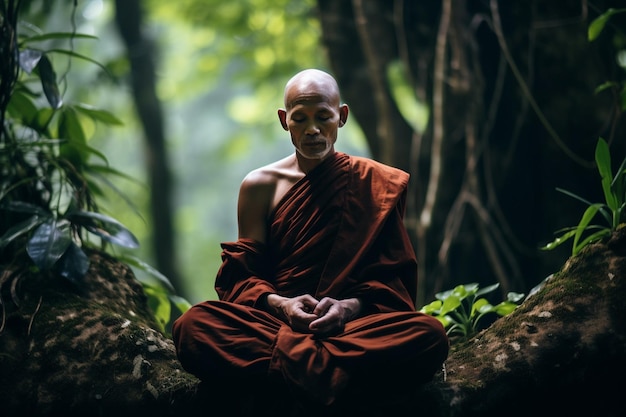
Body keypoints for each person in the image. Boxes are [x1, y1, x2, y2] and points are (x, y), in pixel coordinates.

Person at [172, 68, 449, 416]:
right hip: (277, 325)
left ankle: (283, 382)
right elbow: (241, 278)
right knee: (194, 326)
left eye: (323, 117)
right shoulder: (260, 186)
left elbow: (391, 283)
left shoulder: (374, 183)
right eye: (300, 119)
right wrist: (281, 305)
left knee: (428, 334)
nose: (312, 130)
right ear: (284, 120)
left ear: (342, 116)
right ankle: (342, 386)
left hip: (349, 328)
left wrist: (348, 307)